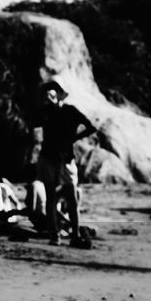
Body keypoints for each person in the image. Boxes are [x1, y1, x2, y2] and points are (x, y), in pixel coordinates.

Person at [33, 80, 97, 246]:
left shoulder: (70, 111)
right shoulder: (45, 112)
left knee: (69, 197)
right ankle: (56, 235)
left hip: (64, 158)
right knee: (52, 197)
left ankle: (72, 234)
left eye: (53, 94)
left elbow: (90, 127)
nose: (49, 98)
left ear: (60, 95)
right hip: (51, 158)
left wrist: (74, 138)